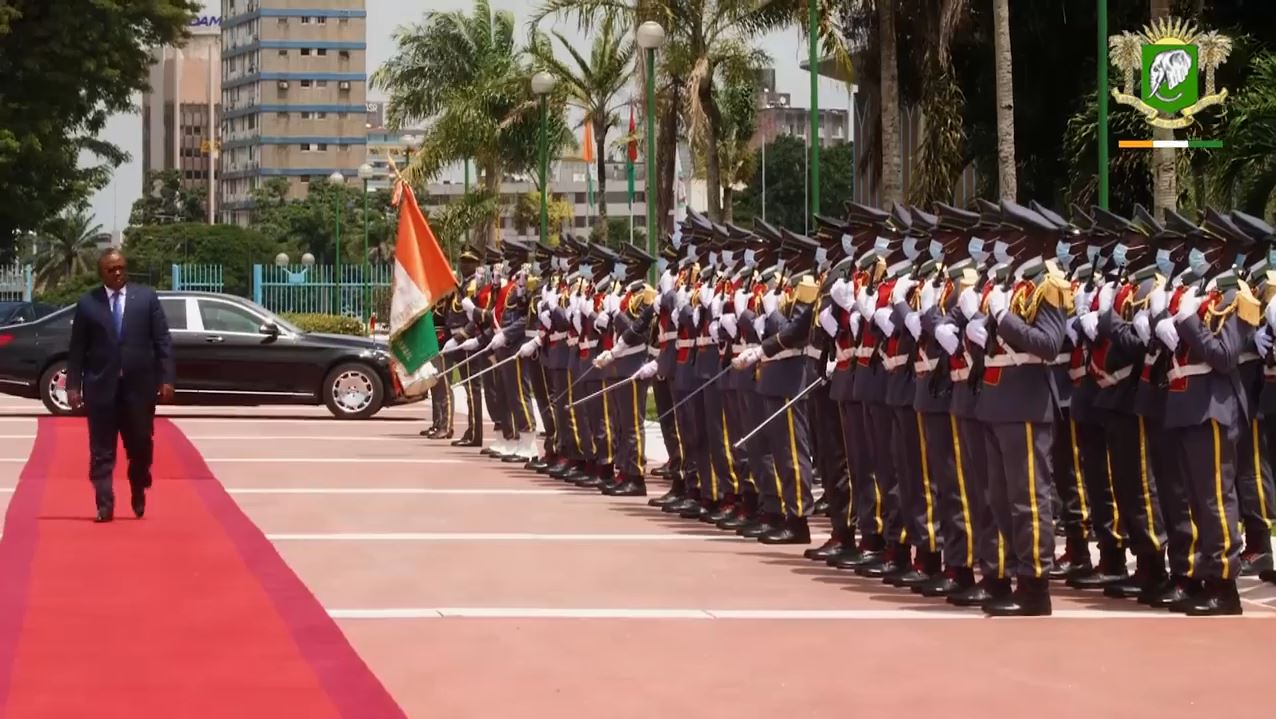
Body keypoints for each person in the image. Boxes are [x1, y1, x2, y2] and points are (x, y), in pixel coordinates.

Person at [66, 248, 175, 522]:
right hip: (100, 388)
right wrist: (73, 386)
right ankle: (104, 504)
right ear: (101, 272)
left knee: (140, 445)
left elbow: (162, 341)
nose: (117, 273)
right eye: (111, 269)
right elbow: (77, 348)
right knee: (101, 449)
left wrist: (167, 378)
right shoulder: (88, 303)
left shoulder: (146, 299)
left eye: (121, 268)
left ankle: (138, 484)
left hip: (139, 390)